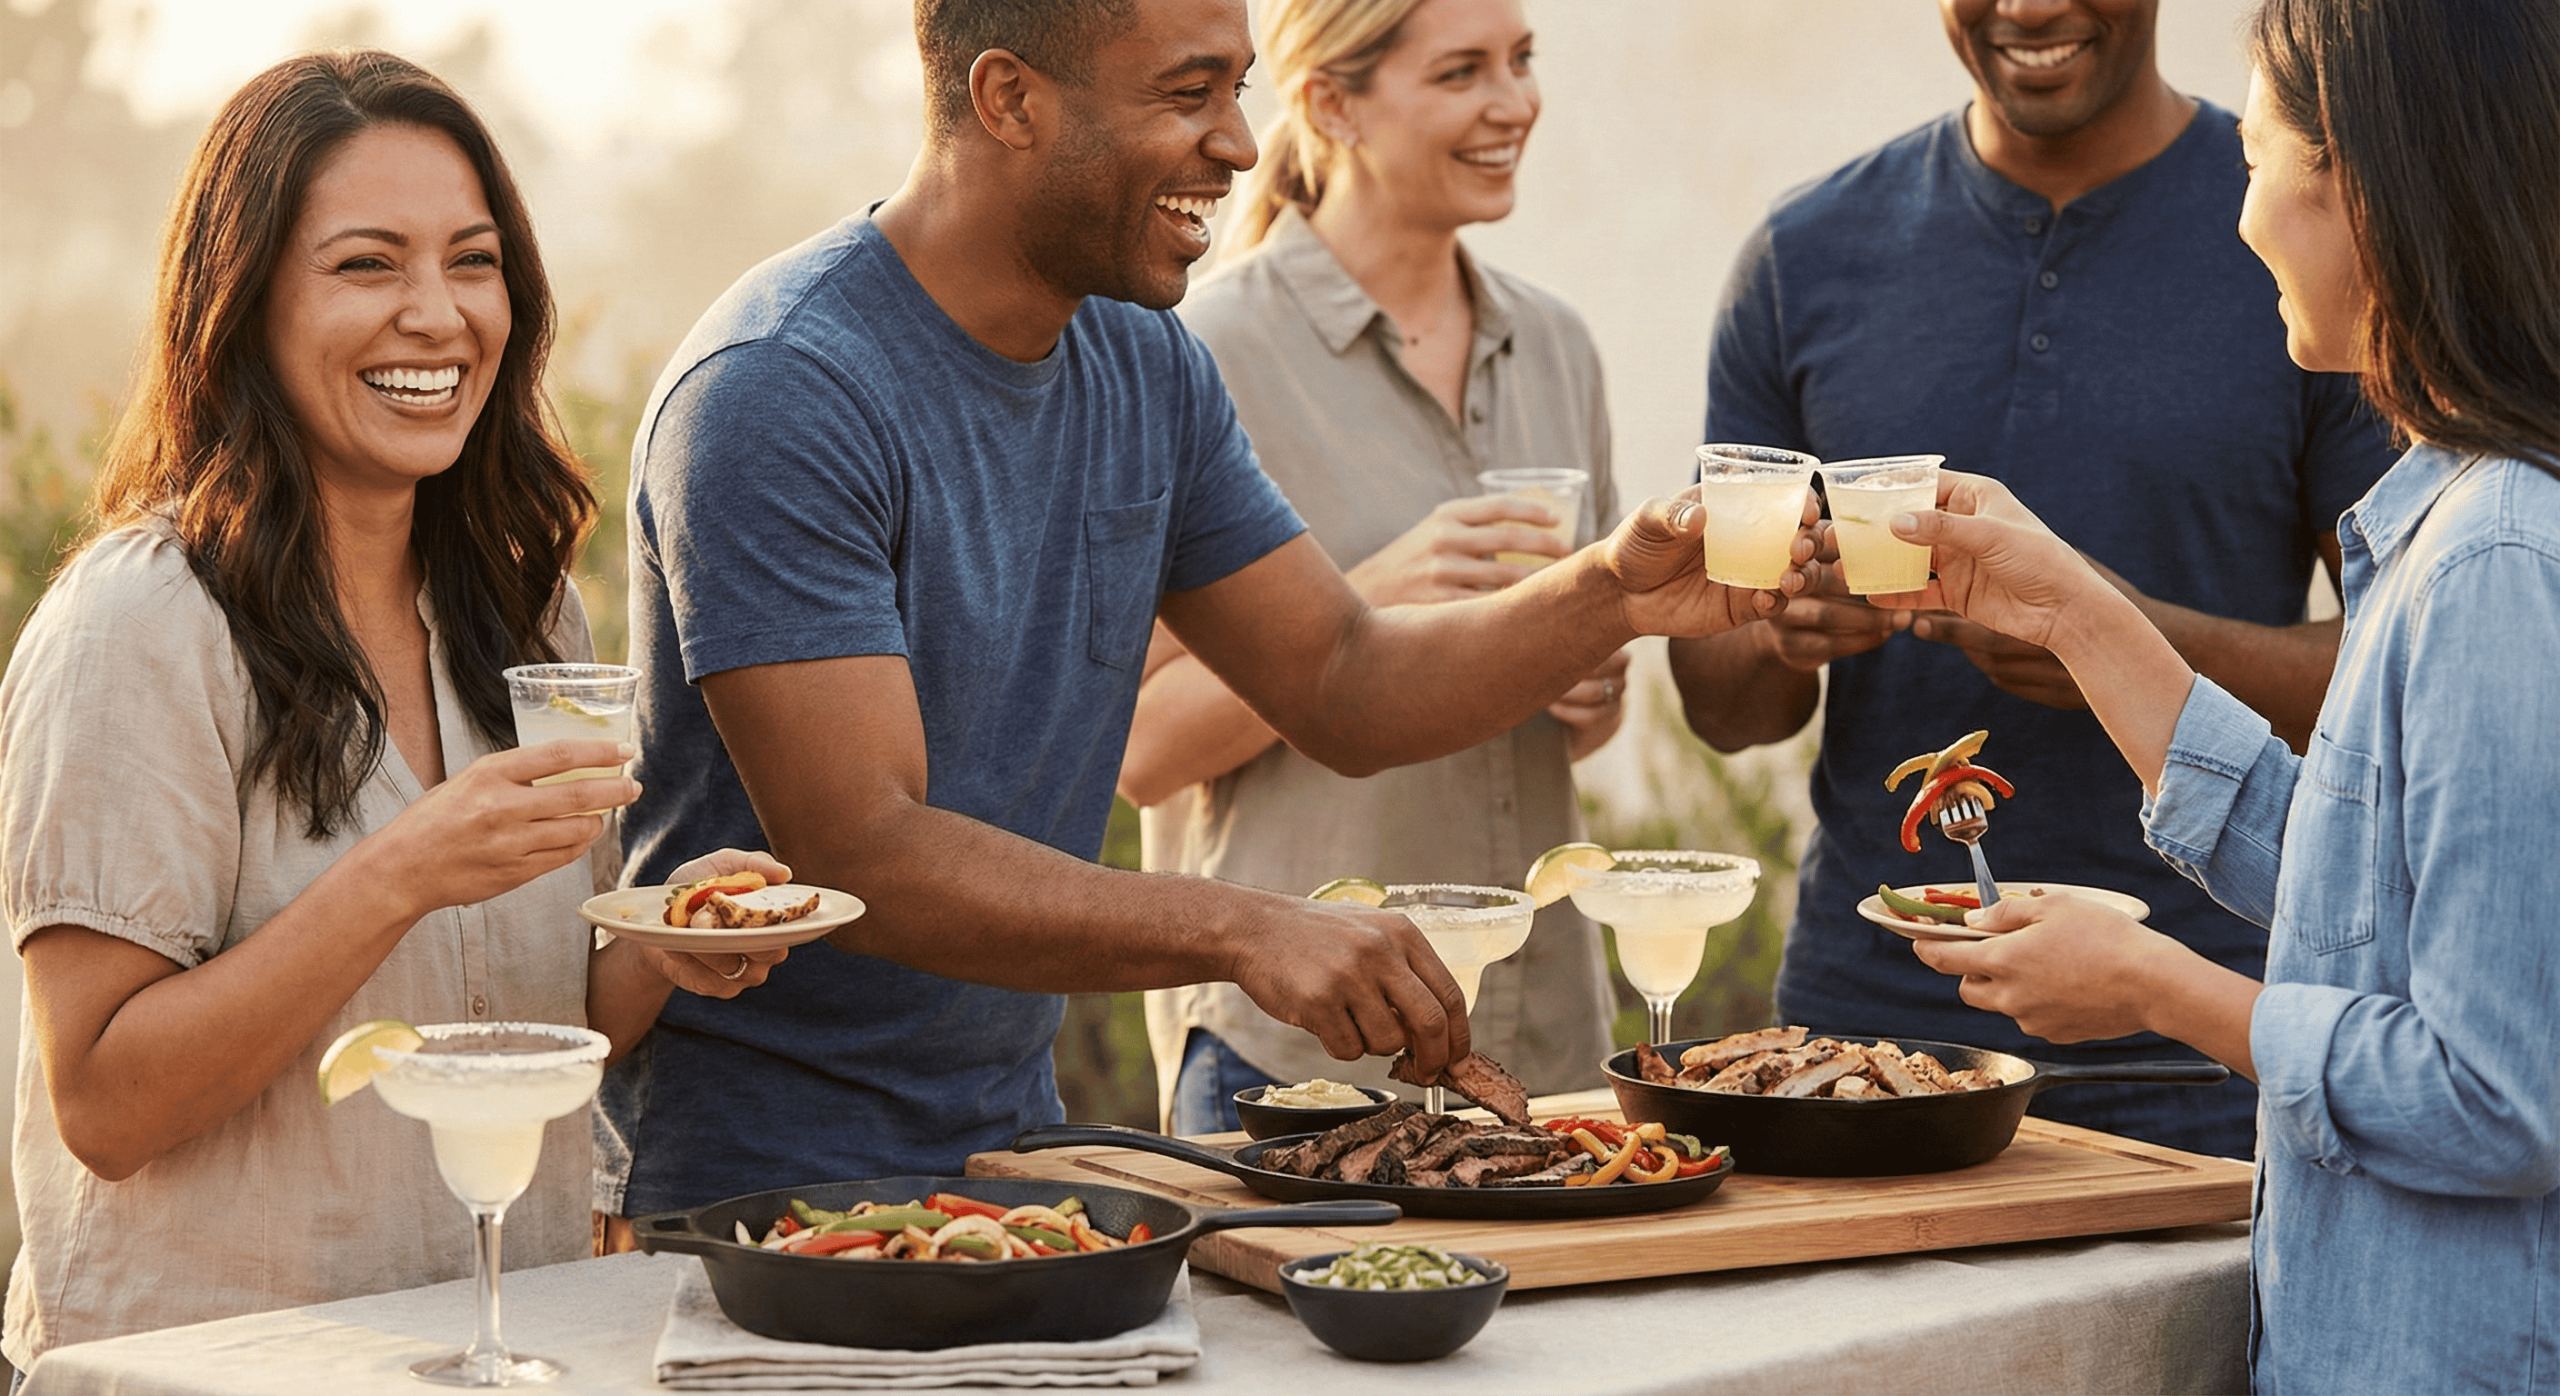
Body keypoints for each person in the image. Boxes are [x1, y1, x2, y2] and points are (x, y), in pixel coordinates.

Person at [607, 0, 1796, 1219]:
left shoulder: (1143, 360)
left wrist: (1614, 593)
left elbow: (1341, 677)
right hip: (753, 1178)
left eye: (1238, 89)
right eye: (1187, 95)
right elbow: (860, 844)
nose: (1239, 142)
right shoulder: (777, 388)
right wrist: (1242, 928)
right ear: (1010, 100)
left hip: (1011, 1152)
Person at [0, 52, 787, 1366]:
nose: (436, 314)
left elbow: (538, 1025)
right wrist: (396, 877)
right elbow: (104, 1102)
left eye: (471, 263)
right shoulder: (140, 627)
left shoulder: (527, 620)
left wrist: (663, 945)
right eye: (367, 265)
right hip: (222, 1366)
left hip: (493, 1345)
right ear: (243, 304)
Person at [1889, 2, 2560, 1383]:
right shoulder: (2449, 522)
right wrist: (2070, 605)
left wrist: (2150, 982)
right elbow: (2361, 893)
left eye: (2257, 152)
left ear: (2360, 190)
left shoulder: (2496, 557)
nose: (2237, 212)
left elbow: (2500, 1098)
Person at [1664, 0, 2397, 1157]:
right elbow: (1723, 708)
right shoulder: (1805, 253)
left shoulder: (2300, 233)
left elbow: (2399, 673)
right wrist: (1775, 629)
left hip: (2204, 1034)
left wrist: (2114, 634)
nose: (2029, 7)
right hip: (1871, 1037)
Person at [1123, 0, 1622, 1136]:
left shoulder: (1554, 344)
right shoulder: (1200, 349)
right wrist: (1371, 600)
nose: (1513, 103)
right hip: (1302, 1047)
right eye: (1459, 72)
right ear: (1329, 102)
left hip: (1543, 1029)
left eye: (1521, 60)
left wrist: (1581, 679)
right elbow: (1140, 750)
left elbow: (1572, 731)